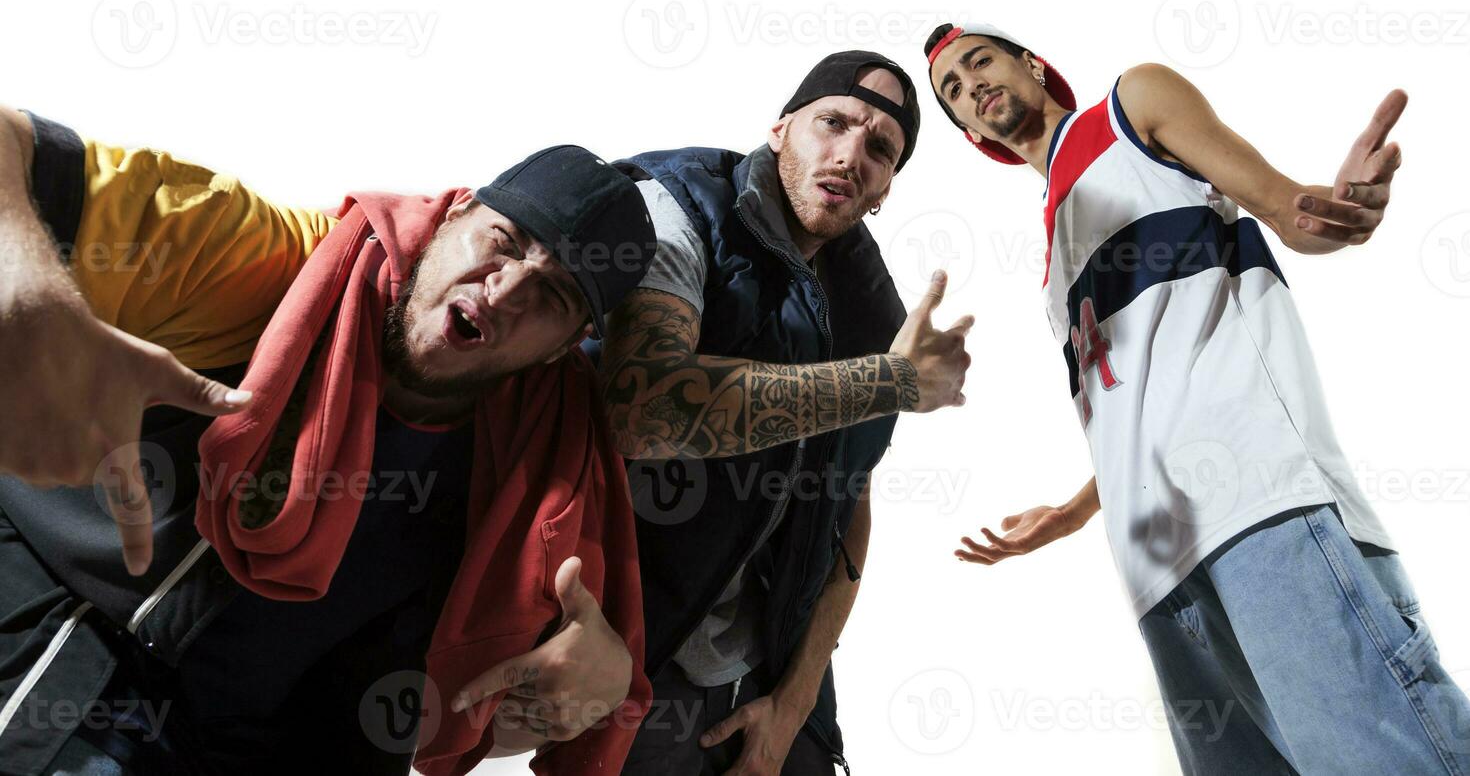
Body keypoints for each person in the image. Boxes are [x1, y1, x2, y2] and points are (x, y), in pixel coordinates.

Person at [0, 105, 655, 775]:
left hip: (243, 731)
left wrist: (601, 676)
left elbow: (489, 719)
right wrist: (34, 302)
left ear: (565, 349)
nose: (506, 290)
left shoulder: (537, 450)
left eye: (551, 295)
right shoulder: (265, 262)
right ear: (456, 213)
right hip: (64, 624)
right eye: (505, 241)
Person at [925, 22, 1470, 774]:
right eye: (952, 90)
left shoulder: (1130, 106)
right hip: (1154, 566)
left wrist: (1343, 206)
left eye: (978, 61)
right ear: (968, 132)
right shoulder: (1051, 255)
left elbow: (1290, 210)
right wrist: (1079, 508)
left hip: (1253, 503)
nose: (971, 85)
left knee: (1384, 757)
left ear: (1028, 63)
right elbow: (1140, 399)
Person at [595, 50, 972, 774]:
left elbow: (847, 508)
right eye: (832, 123)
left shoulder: (871, 308)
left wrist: (797, 700)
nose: (849, 155)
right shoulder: (676, 208)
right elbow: (642, 407)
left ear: (886, 188)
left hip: (775, 687)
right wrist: (889, 382)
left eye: (880, 148)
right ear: (780, 129)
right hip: (635, 660)